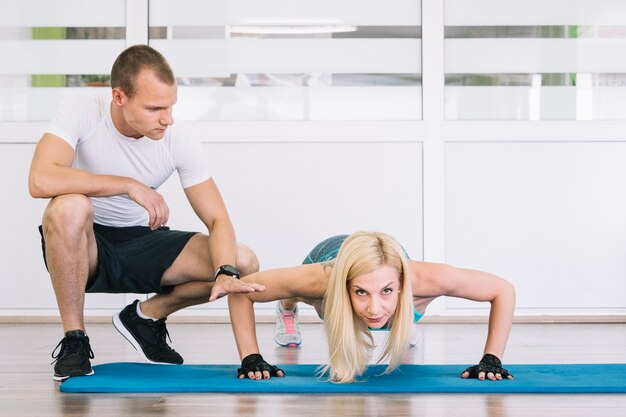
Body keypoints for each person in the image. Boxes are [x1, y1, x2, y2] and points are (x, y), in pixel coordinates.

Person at [28, 44, 264, 382]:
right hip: (87, 244)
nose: (167, 118)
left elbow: (218, 219)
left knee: (243, 260)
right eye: (154, 108)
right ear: (119, 97)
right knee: (69, 206)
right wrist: (127, 184)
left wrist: (225, 271)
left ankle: (146, 317)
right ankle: (74, 340)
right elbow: (40, 179)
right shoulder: (82, 109)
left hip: (142, 242)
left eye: (170, 106)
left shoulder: (177, 138)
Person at [228, 231, 515, 384]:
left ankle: (401, 320)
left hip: (394, 278)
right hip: (329, 255)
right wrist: (251, 358)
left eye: (387, 291)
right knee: (296, 294)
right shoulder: (321, 280)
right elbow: (240, 293)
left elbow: (502, 290)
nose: (374, 308)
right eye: (361, 292)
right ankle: (287, 310)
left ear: (401, 284)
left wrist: (492, 360)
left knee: (396, 311)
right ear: (346, 287)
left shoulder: (427, 281)